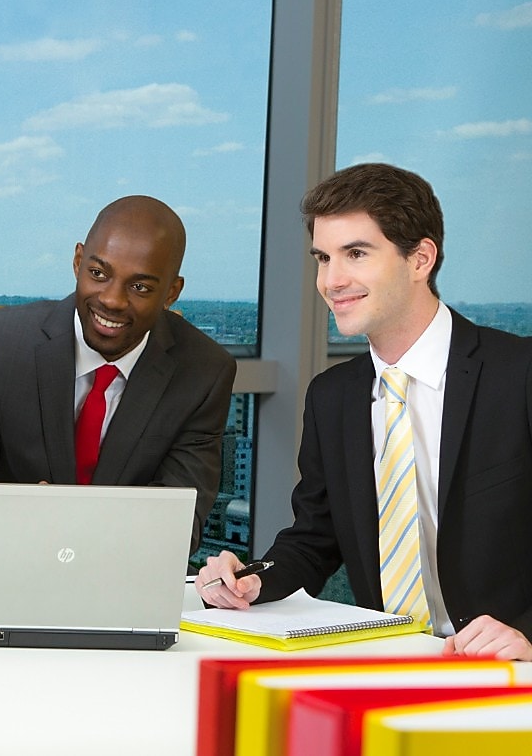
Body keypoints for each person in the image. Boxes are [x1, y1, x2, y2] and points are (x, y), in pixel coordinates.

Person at [197, 163, 532, 661]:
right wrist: (249, 580)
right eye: (322, 258)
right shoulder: (332, 397)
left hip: (509, 671)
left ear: (420, 259)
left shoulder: (519, 374)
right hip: (394, 663)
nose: (332, 281)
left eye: (355, 254)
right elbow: (314, 540)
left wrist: (527, 636)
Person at [0, 195, 236, 551]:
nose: (112, 299)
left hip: (120, 582)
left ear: (171, 293)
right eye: (98, 274)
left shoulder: (205, 373)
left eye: (140, 287)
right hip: (2, 562)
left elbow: (177, 526)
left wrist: (56, 516)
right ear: (78, 261)